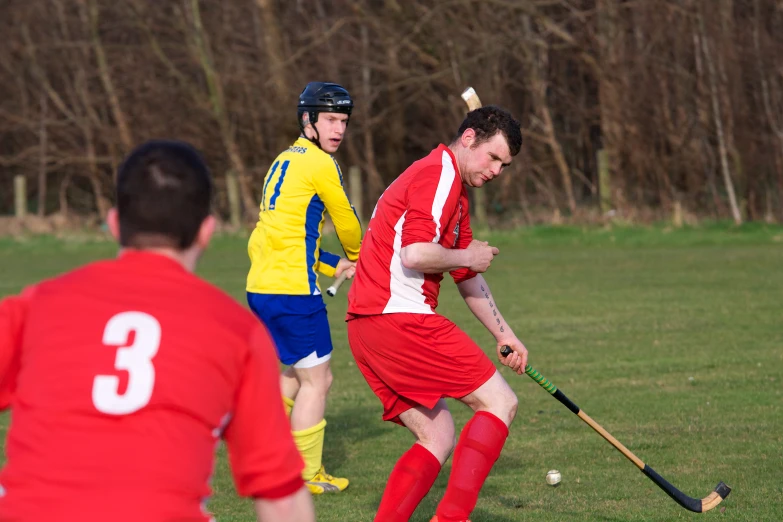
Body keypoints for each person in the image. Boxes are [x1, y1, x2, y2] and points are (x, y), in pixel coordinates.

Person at [0, 140, 315, 522]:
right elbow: (280, 496)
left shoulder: (35, 305)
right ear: (206, 232)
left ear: (114, 223)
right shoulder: (238, 331)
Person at [346, 106, 526, 522]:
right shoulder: (439, 174)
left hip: (368, 327)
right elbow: (416, 253)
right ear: (468, 139)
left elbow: (465, 276)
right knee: (500, 402)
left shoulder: (453, 190)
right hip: (399, 318)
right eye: (493, 157)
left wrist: (505, 334)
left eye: (505, 164)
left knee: (437, 435)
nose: (497, 170)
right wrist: (469, 253)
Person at [246, 81, 362, 494]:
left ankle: (262, 441)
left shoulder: (284, 160)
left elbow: (290, 236)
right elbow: (345, 218)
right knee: (319, 380)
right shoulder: (320, 163)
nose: (338, 129)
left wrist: (335, 265)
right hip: (293, 292)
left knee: (297, 372)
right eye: (330, 119)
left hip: (262, 287)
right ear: (307, 120)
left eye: (343, 121)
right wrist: (363, 255)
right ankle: (306, 473)